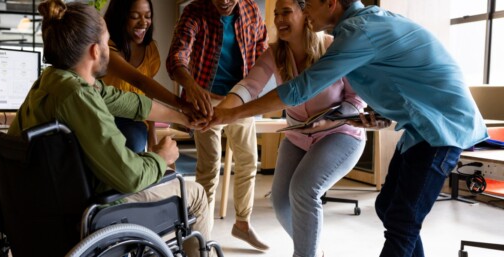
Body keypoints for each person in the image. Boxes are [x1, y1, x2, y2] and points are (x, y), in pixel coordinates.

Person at [208, 0, 489, 256]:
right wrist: (378, 112)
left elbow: (301, 89)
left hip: (441, 127)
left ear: (330, 4)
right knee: (388, 208)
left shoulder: (355, 33)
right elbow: (397, 78)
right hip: (421, 127)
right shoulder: (359, 27)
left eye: (307, 6)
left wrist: (231, 115)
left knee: (402, 223)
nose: (305, 12)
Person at [7, 1, 211, 256]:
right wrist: (161, 157)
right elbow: (130, 176)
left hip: (42, 205)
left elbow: (130, 102)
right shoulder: (78, 98)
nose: (110, 48)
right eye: (106, 42)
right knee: (196, 194)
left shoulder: (55, 81)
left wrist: (183, 116)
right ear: (95, 51)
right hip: (94, 209)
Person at [216, 0, 366, 256]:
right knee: (280, 201)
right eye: (276, 14)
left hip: (339, 132)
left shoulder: (334, 47)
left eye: (286, 12)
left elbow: (357, 100)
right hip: (298, 135)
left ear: (305, 13)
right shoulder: (274, 53)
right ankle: (310, 251)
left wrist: (330, 119)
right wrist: (220, 113)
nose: (279, 19)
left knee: (304, 189)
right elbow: (249, 86)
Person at [166, 0, 269, 250]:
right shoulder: (194, 11)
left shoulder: (250, 10)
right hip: (205, 99)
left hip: (239, 97)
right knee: (209, 168)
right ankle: (203, 235)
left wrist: (256, 94)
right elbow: (177, 55)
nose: (224, 1)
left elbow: (262, 53)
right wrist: (190, 85)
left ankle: (242, 224)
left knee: (247, 162)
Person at [102, 0, 193, 152]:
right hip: (106, 115)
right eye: (134, 16)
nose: (143, 22)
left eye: (148, 16)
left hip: (135, 116)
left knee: (135, 143)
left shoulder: (150, 50)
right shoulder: (107, 49)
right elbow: (140, 82)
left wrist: (152, 133)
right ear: (120, 17)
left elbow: (147, 94)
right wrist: (183, 106)